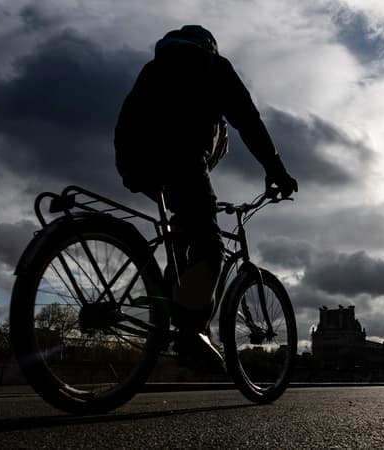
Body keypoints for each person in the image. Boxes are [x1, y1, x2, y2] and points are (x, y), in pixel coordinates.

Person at [114, 25, 297, 369]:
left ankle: (164, 310)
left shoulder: (154, 67)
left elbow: (127, 119)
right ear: (209, 46)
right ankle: (192, 328)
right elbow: (249, 122)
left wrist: (130, 171)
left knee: (183, 237)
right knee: (211, 246)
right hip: (181, 157)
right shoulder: (213, 66)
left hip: (137, 160)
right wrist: (276, 170)